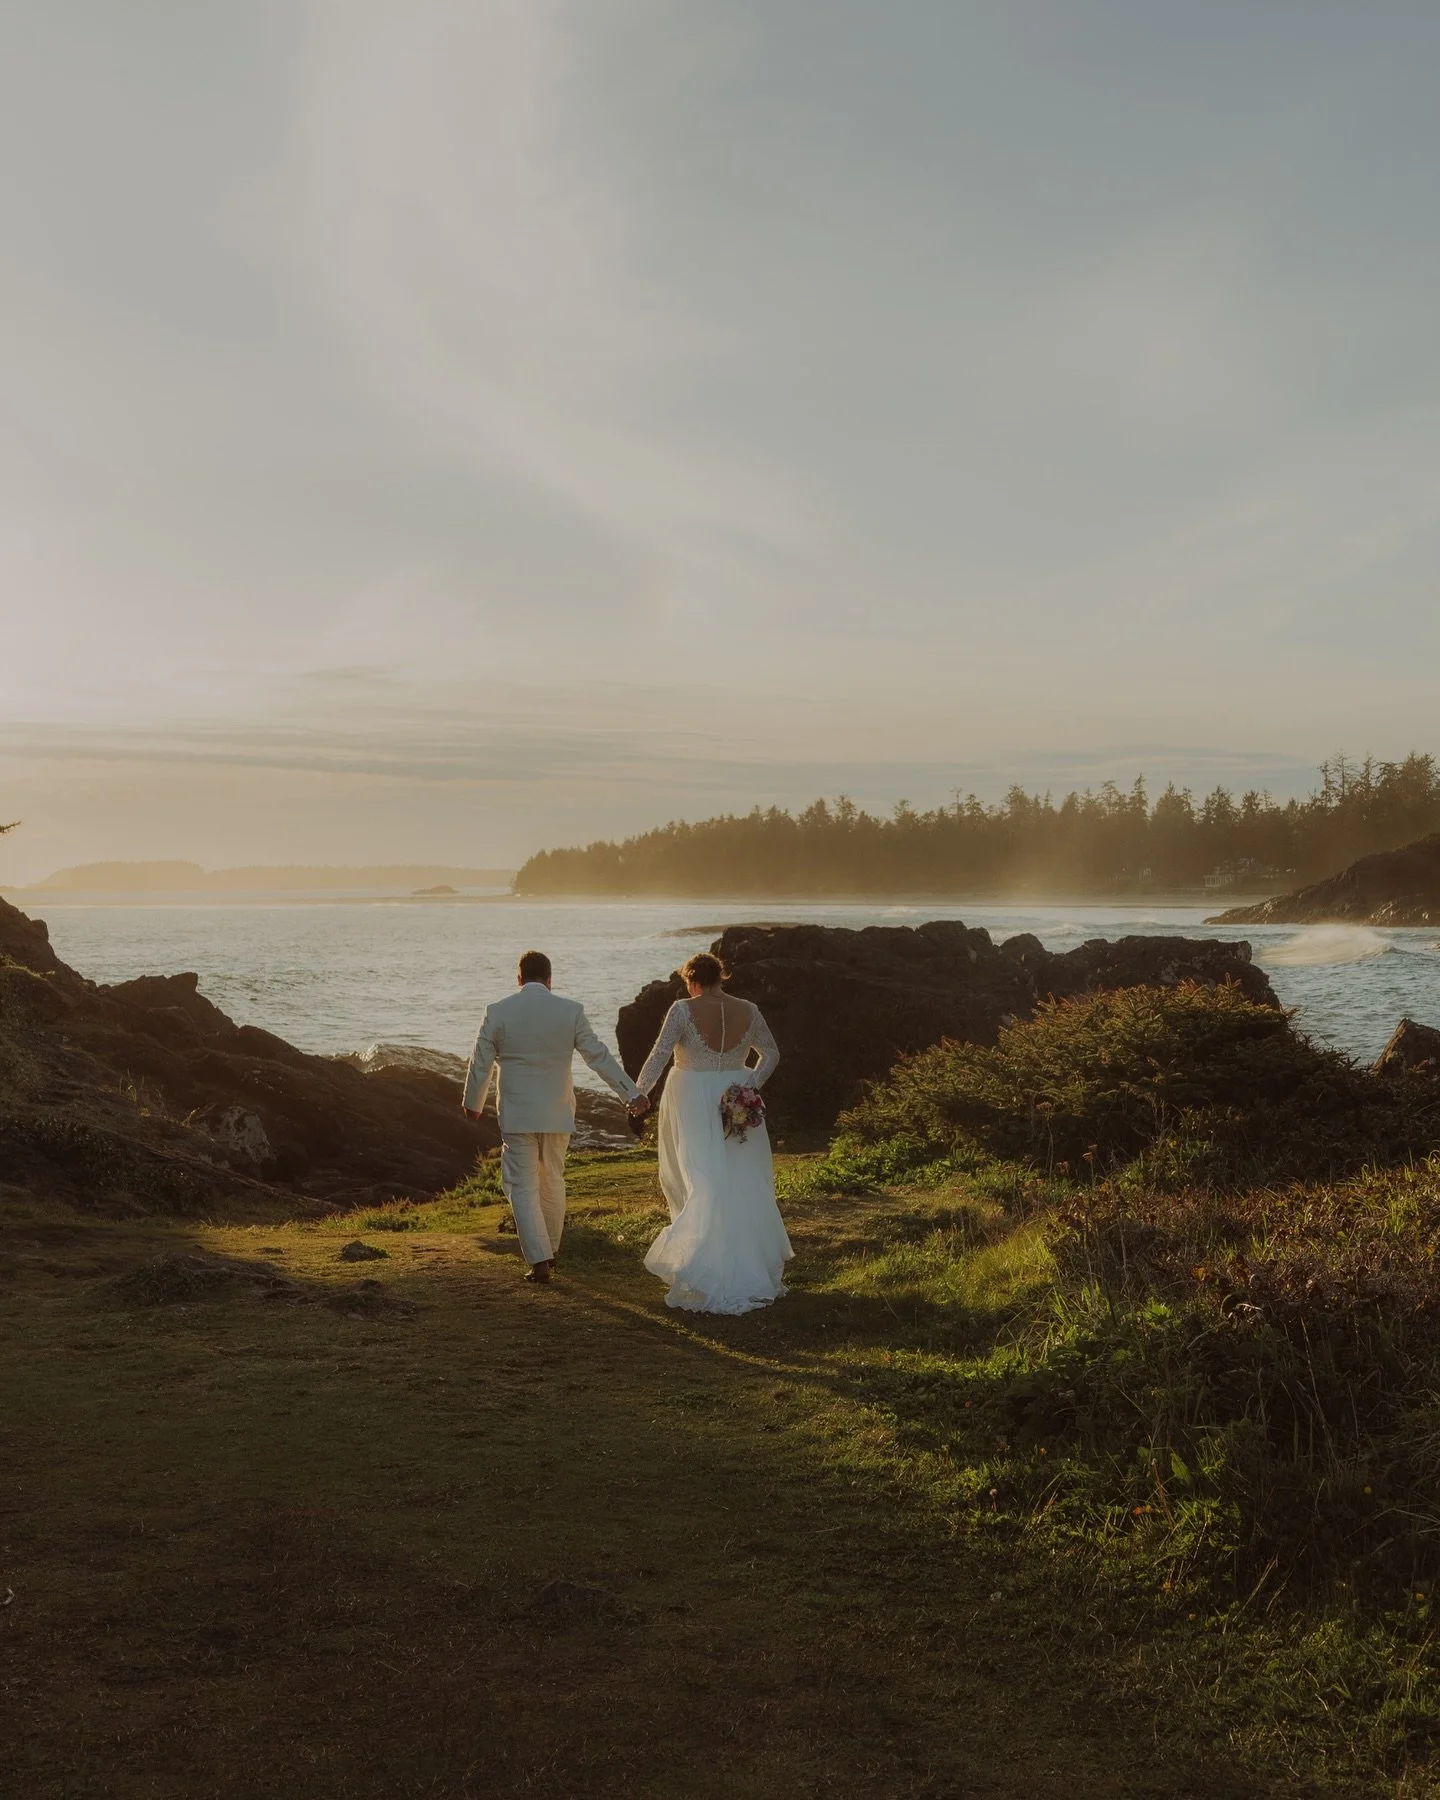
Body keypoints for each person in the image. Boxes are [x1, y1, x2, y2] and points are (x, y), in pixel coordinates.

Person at [462, 950, 643, 1284]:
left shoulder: (498, 1011)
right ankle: (551, 1250)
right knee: (553, 1180)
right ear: (549, 979)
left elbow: (480, 1062)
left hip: (518, 1113)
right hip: (558, 1110)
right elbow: (598, 1056)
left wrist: (473, 1101)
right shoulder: (570, 1011)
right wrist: (630, 1093)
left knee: (522, 1186)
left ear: (519, 979)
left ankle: (540, 1259)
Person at [632, 951, 792, 1314]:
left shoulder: (683, 1010)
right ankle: (744, 1262)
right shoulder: (748, 1009)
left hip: (693, 1096)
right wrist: (748, 1086)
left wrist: (639, 1093)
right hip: (734, 1096)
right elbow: (771, 1053)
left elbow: (659, 1054)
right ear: (721, 977)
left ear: (692, 981)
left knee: (700, 1177)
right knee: (739, 1177)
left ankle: (707, 1264)